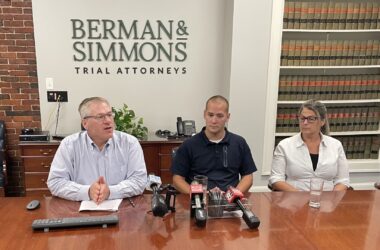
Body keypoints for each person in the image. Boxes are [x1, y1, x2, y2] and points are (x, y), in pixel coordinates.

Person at [47, 97, 147, 203]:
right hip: (79, 210)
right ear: (85, 123)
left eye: (109, 115)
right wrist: (88, 191)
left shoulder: (129, 143)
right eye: (100, 117)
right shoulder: (69, 145)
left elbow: (139, 181)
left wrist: (111, 191)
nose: (108, 121)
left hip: (123, 208)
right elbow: (55, 182)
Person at [171, 95, 257, 194]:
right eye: (210, 115)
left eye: (220, 116)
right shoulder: (189, 145)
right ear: (204, 114)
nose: (214, 121)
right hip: (199, 201)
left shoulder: (239, 143)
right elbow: (177, 179)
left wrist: (233, 194)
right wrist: (197, 195)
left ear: (228, 117)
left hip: (230, 201)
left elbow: (248, 177)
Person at [269, 99, 350, 191]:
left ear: (322, 121)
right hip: (293, 201)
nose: (305, 123)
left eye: (311, 119)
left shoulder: (335, 145)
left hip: (327, 201)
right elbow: (276, 179)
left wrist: (331, 199)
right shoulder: (285, 145)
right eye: (302, 118)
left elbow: (343, 180)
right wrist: (301, 197)